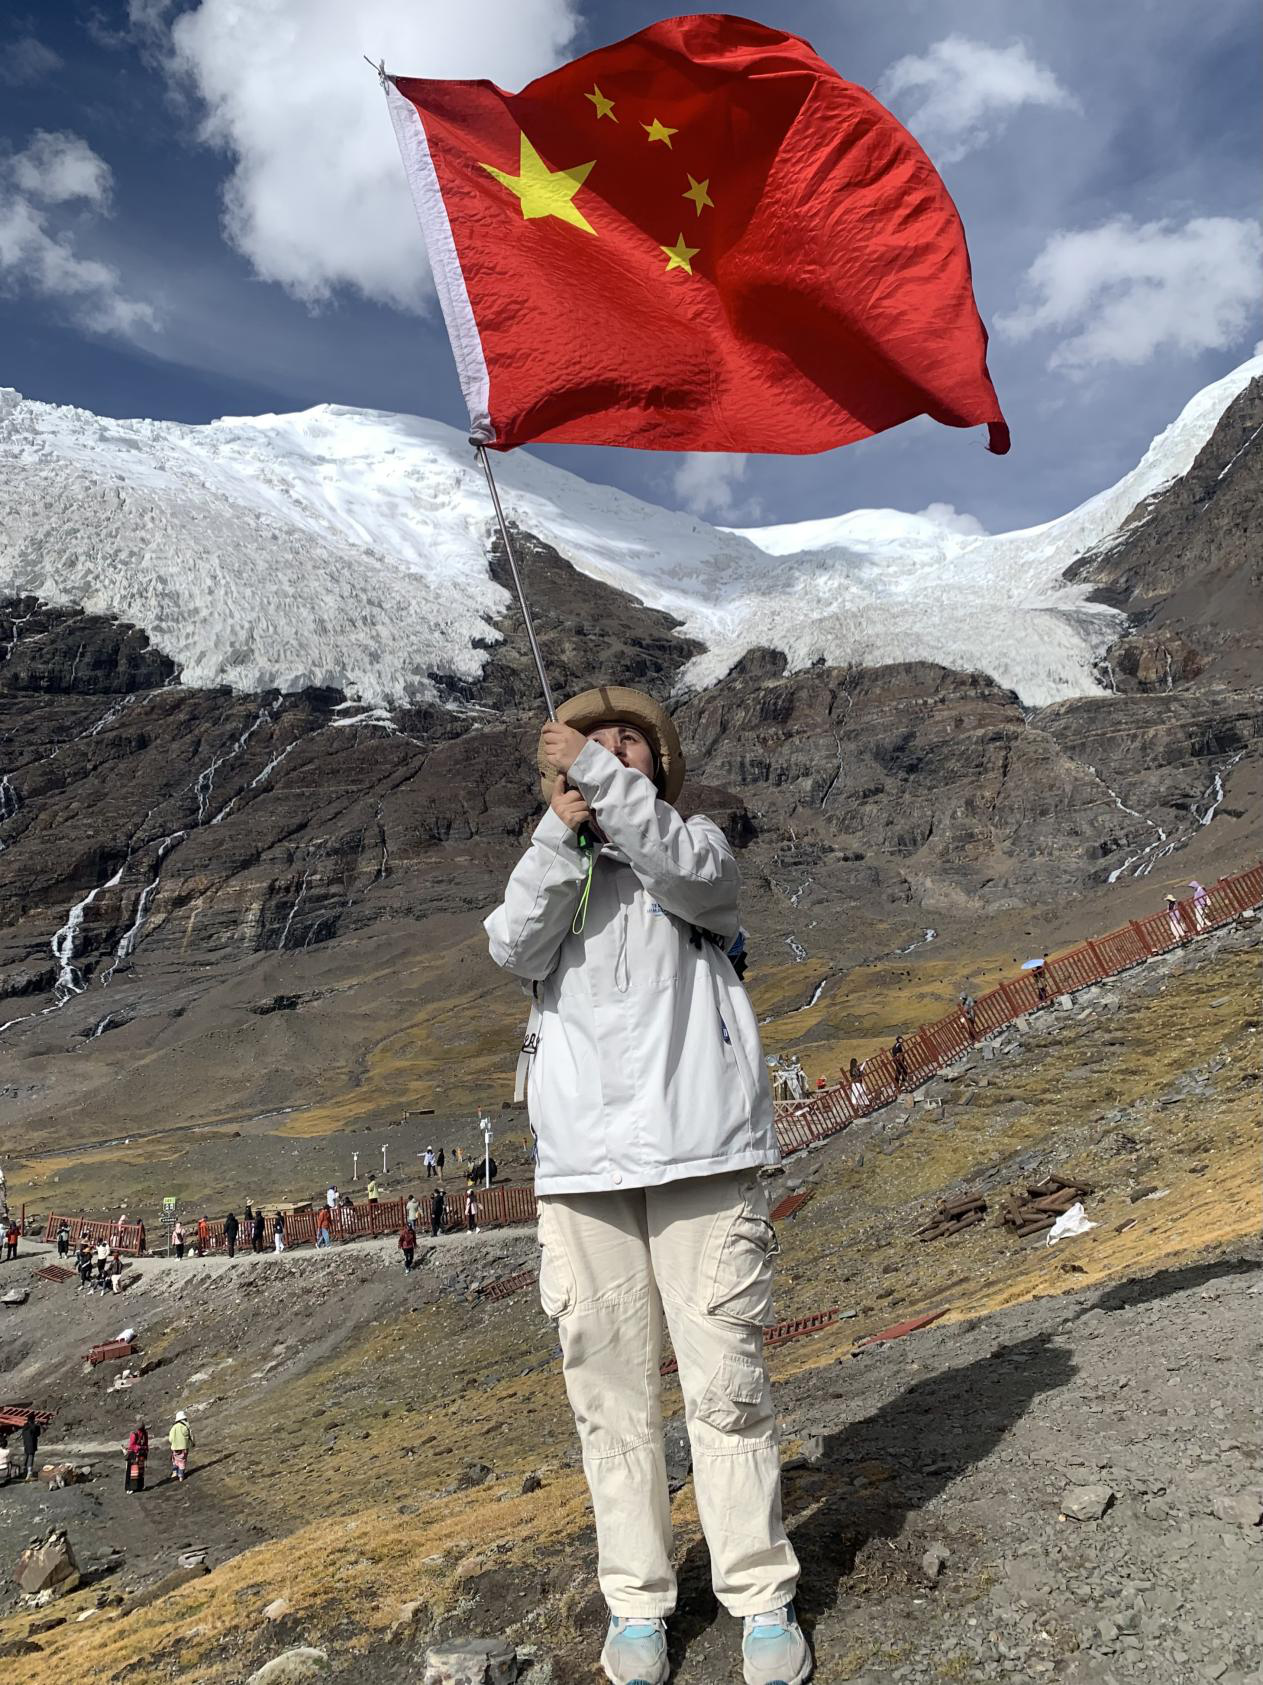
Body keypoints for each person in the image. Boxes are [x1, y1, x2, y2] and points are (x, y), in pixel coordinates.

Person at [485, 687, 805, 1685]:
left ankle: (759, 1594)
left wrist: (594, 775)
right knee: (609, 1396)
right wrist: (558, 832)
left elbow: (691, 875)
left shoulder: (694, 848)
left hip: (703, 1151)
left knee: (726, 1382)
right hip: (583, 1169)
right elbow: (512, 944)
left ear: (657, 765)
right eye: (591, 742)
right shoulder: (556, 859)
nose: (611, 751)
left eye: (629, 742)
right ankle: (636, 1602)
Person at [168, 1411, 194, 1482]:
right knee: (182, 1461)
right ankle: (181, 1476)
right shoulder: (186, 1426)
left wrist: (174, 1443)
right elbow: (191, 1435)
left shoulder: (174, 1427)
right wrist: (193, 1443)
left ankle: (175, 1472)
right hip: (184, 1448)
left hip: (175, 1448)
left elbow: (170, 1439)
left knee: (175, 1460)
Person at [124, 1420, 148, 1493]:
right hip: (134, 1454)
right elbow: (132, 1446)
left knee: (139, 1471)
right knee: (133, 1472)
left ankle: (138, 1487)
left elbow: (145, 1444)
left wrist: (145, 1451)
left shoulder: (144, 1433)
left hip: (140, 1454)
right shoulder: (134, 1434)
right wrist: (141, 1448)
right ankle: (131, 1488)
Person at [21, 1412, 40, 1482]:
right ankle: (29, 1473)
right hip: (32, 1444)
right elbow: (38, 1433)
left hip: (26, 1443)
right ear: (33, 1419)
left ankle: (23, 1470)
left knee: (26, 1456)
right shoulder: (34, 1426)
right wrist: (38, 1425)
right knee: (31, 1457)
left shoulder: (25, 1426)